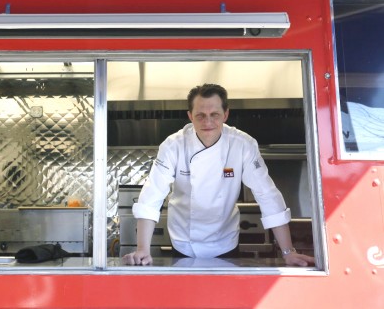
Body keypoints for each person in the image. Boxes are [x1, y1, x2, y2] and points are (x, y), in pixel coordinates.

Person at [122, 83, 315, 267]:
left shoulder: (242, 145)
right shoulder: (173, 146)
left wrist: (288, 252)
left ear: (226, 114)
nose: (208, 122)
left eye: (214, 114)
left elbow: (267, 194)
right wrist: (143, 249)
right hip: (183, 242)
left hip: (225, 243)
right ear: (190, 116)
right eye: (200, 115)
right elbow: (152, 195)